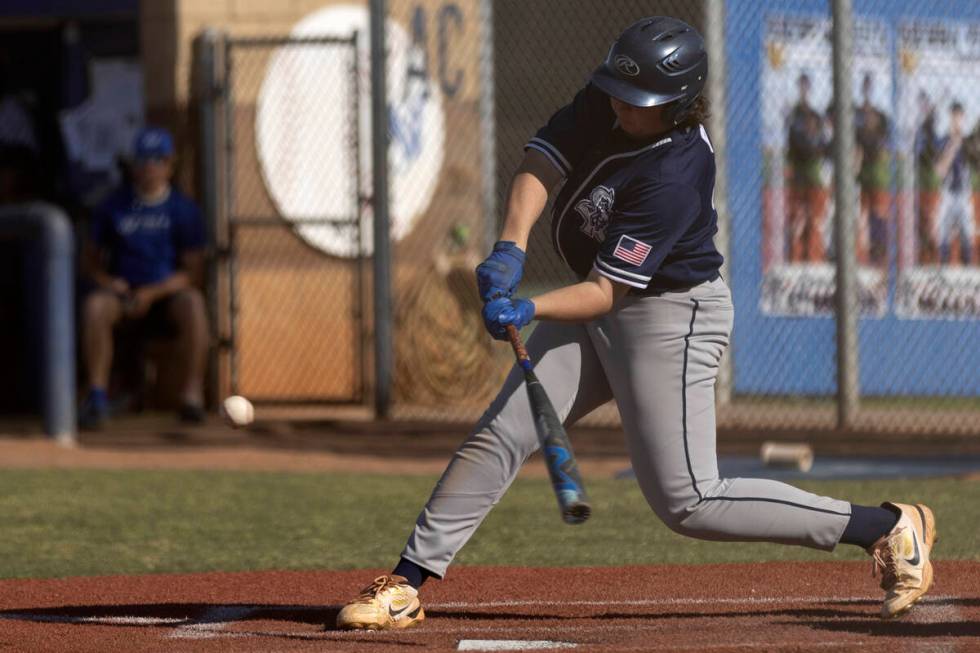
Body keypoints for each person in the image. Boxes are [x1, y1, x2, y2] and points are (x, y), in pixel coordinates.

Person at [334, 17, 937, 631]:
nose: (622, 105)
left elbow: (603, 291)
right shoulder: (613, 99)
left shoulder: (677, 170)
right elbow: (542, 158)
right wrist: (509, 248)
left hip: (671, 319)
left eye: (640, 100)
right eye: (619, 91)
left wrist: (530, 305)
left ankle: (887, 527)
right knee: (504, 429)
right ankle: (406, 583)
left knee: (689, 502)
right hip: (602, 307)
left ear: (676, 104)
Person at [78, 126, 209, 429]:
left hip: (165, 296)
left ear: (170, 165)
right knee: (95, 306)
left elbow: (193, 272)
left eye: (157, 160)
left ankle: (191, 395)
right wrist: (111, 283)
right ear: (133, 164)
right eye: (143, 160)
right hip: (124, 295)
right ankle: (97, 395)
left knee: (194, 303)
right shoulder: (113, 205)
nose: (149, 168)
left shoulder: (183, 209)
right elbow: (90, 264)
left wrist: (153, 293)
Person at [785, 72, 830, 263]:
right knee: (797, 217)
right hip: (798, 170)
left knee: (814, 217)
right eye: (801, 85)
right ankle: (796, 256)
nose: (804, 89)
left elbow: (821, 144)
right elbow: (794, 142)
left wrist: (813, 145)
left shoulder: (815, 116)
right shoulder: (794, 115)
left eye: (806, 85)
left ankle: (813, 257)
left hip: (812, 171)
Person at [854, 72, 891, 267]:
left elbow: (885, 145)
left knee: (878, 213)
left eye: (869, 86)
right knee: (864, 213)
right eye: (865, 86)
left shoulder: (881, 117)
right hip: (863, 172)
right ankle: (866, 252)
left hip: (876, 172)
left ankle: (879, 252)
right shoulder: (857, 115)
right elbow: (856, 147)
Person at [935, 101, 974, 265]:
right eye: (953, 116)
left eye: (959, 116)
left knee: (967, 231)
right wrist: (953, 146)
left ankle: (967, 270)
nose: (956, 120)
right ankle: (943, 267)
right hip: (948, 192)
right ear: (950, 118)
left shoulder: (968, 142)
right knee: (943, 230)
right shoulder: (943, 140)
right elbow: (940, 170)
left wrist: (963, 143)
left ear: (963, 118)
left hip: (964, 192)